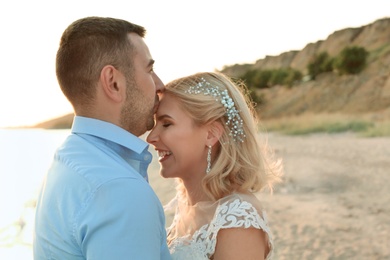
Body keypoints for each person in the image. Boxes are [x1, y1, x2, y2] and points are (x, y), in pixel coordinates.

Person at [33, 16, 171, 259]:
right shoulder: (118, 188)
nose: (160, 85)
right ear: (113, 82)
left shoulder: (67, 160)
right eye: (149, 69)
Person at [147, 71, 283, 259]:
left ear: (211, 134)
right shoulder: (186, 204)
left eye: (166, 123)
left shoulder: (238, 219)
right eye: (155, 124)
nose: (151, 137)